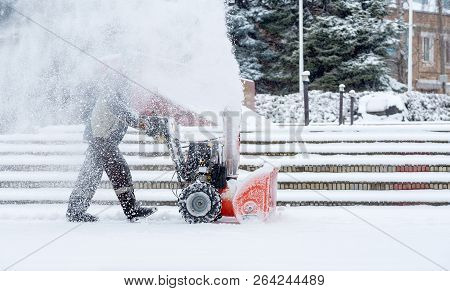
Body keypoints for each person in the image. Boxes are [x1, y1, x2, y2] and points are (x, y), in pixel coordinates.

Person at [66, 73, 159, 222]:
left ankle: (75, 210)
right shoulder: (111, 97)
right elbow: (127, 115)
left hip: (99, 141)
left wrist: (146, 123)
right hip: (102, 142)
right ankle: (131, 210)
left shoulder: (111, 96)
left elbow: (127, 114)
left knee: (90, 176)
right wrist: (148, 127)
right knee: (120, 172)